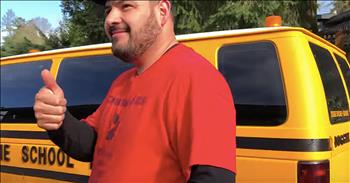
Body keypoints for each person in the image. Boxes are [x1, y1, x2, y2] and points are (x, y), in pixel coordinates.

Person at [33, 0, 236, 182]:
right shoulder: (122, 82)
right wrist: (58, 120)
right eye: (108, 10)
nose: (111, 18)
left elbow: (215, 177)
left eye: (126, 6)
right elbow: (92, 145)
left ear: (162, 11)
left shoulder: (198, 78)